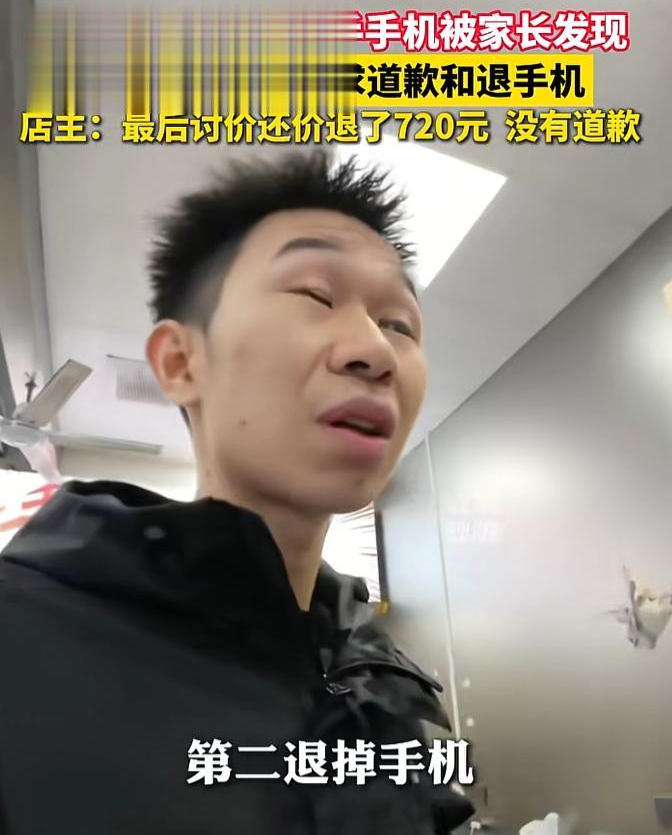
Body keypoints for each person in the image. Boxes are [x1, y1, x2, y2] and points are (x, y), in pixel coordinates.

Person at [0, 150, 474, 834]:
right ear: (180, 361)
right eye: (314, 295)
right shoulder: (21, 645)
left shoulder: (388, 677)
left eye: (400, 325)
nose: (374, 350)